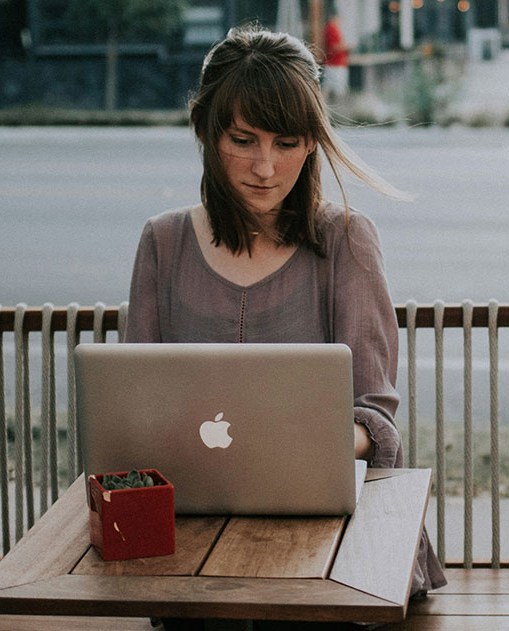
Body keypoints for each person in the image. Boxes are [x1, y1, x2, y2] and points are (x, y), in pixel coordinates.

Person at [124, 25, 446, 614]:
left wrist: (283, 449)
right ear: (204, 130)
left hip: (332, 547)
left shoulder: (346, 239)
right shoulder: (162, 243)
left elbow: (375, 419)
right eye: (243, 140)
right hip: (190, 545)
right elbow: (132, 410)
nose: (266, 168)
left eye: (288, 142)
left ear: (312, 143)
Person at [322, 14, 350, 104]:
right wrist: (346, 47)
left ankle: (327, 106)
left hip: (336, 63)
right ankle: (338, 107)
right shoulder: (331, 29)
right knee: (336, 88)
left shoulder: (334, 29)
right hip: (334, 64)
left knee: (328, 87)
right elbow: (334, 47)